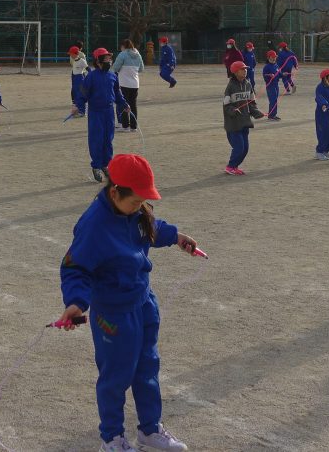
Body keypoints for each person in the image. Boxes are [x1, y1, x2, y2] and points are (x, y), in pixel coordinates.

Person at [57, 153, 198, 452]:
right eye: (135, 201)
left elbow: (150, 227)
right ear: (114, 192)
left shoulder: (134, 211)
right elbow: (75, 268)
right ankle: (112, 439)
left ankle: (149, 430)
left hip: (143, 303)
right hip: (113, 314)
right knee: (116, 377)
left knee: (148, 368)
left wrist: (176, 237)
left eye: (142, 202)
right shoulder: (94, 225)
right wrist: (76, 302)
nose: (139, 206)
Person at [82, 47, 130, 182]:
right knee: (96, 139)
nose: (109, 61)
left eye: (110, 58)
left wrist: (124, 104)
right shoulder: (91, 76)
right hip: (95, 112)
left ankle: (106, 164)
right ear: (98, 61)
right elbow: (83, 92)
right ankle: (96, 166)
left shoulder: (112, 75)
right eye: (107, 59)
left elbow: (117, 93)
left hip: (109, 112)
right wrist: (78, 105)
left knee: (108, 139)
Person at [223, 60, 257, 175]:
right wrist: (233, 110)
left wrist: (257, 112)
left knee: (245, 148)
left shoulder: (248, 84)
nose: (245, 71)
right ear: (235, 72)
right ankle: (230, 167)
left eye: (246, 69)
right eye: (242, 69)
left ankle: (235, 166)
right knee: (239, 147)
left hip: (245, 122)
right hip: (233, 123)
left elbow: (252, 102)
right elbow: (226, 105)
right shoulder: (230, 87)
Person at [112, 39, 144, 131]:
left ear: (123, 46)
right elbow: (141, 69)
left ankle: (125, 126)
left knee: (123, 104)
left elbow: (115, 68)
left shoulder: (122, 54)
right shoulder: (138, 54)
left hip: (124, 83)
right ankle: (133, 127)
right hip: (135, 84)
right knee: (133, 105)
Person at [262, 50, 282, 120]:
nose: (274, 58)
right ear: (268, 58)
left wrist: (283, 74)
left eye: (275, 57)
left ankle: (274, 114)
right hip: (270, 86)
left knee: (275, 101)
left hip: (276, 85)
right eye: (272, 57)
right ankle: (271, 116)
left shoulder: (276, 65)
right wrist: (269, 75)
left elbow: (279, 74)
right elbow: (265, 76)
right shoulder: (266, 67)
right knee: (273, 100)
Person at [70, 45, 90, 116]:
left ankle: (82, 112)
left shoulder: (82, 61)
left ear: (75, 54)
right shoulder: (74, 62)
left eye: (71, 54)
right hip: (75, 79)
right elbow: (74, 72)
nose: (70, 55)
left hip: (80, 79)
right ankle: (77, 111)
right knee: (76, 96)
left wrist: (90, 77)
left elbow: (88, 69)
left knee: (81, 95)